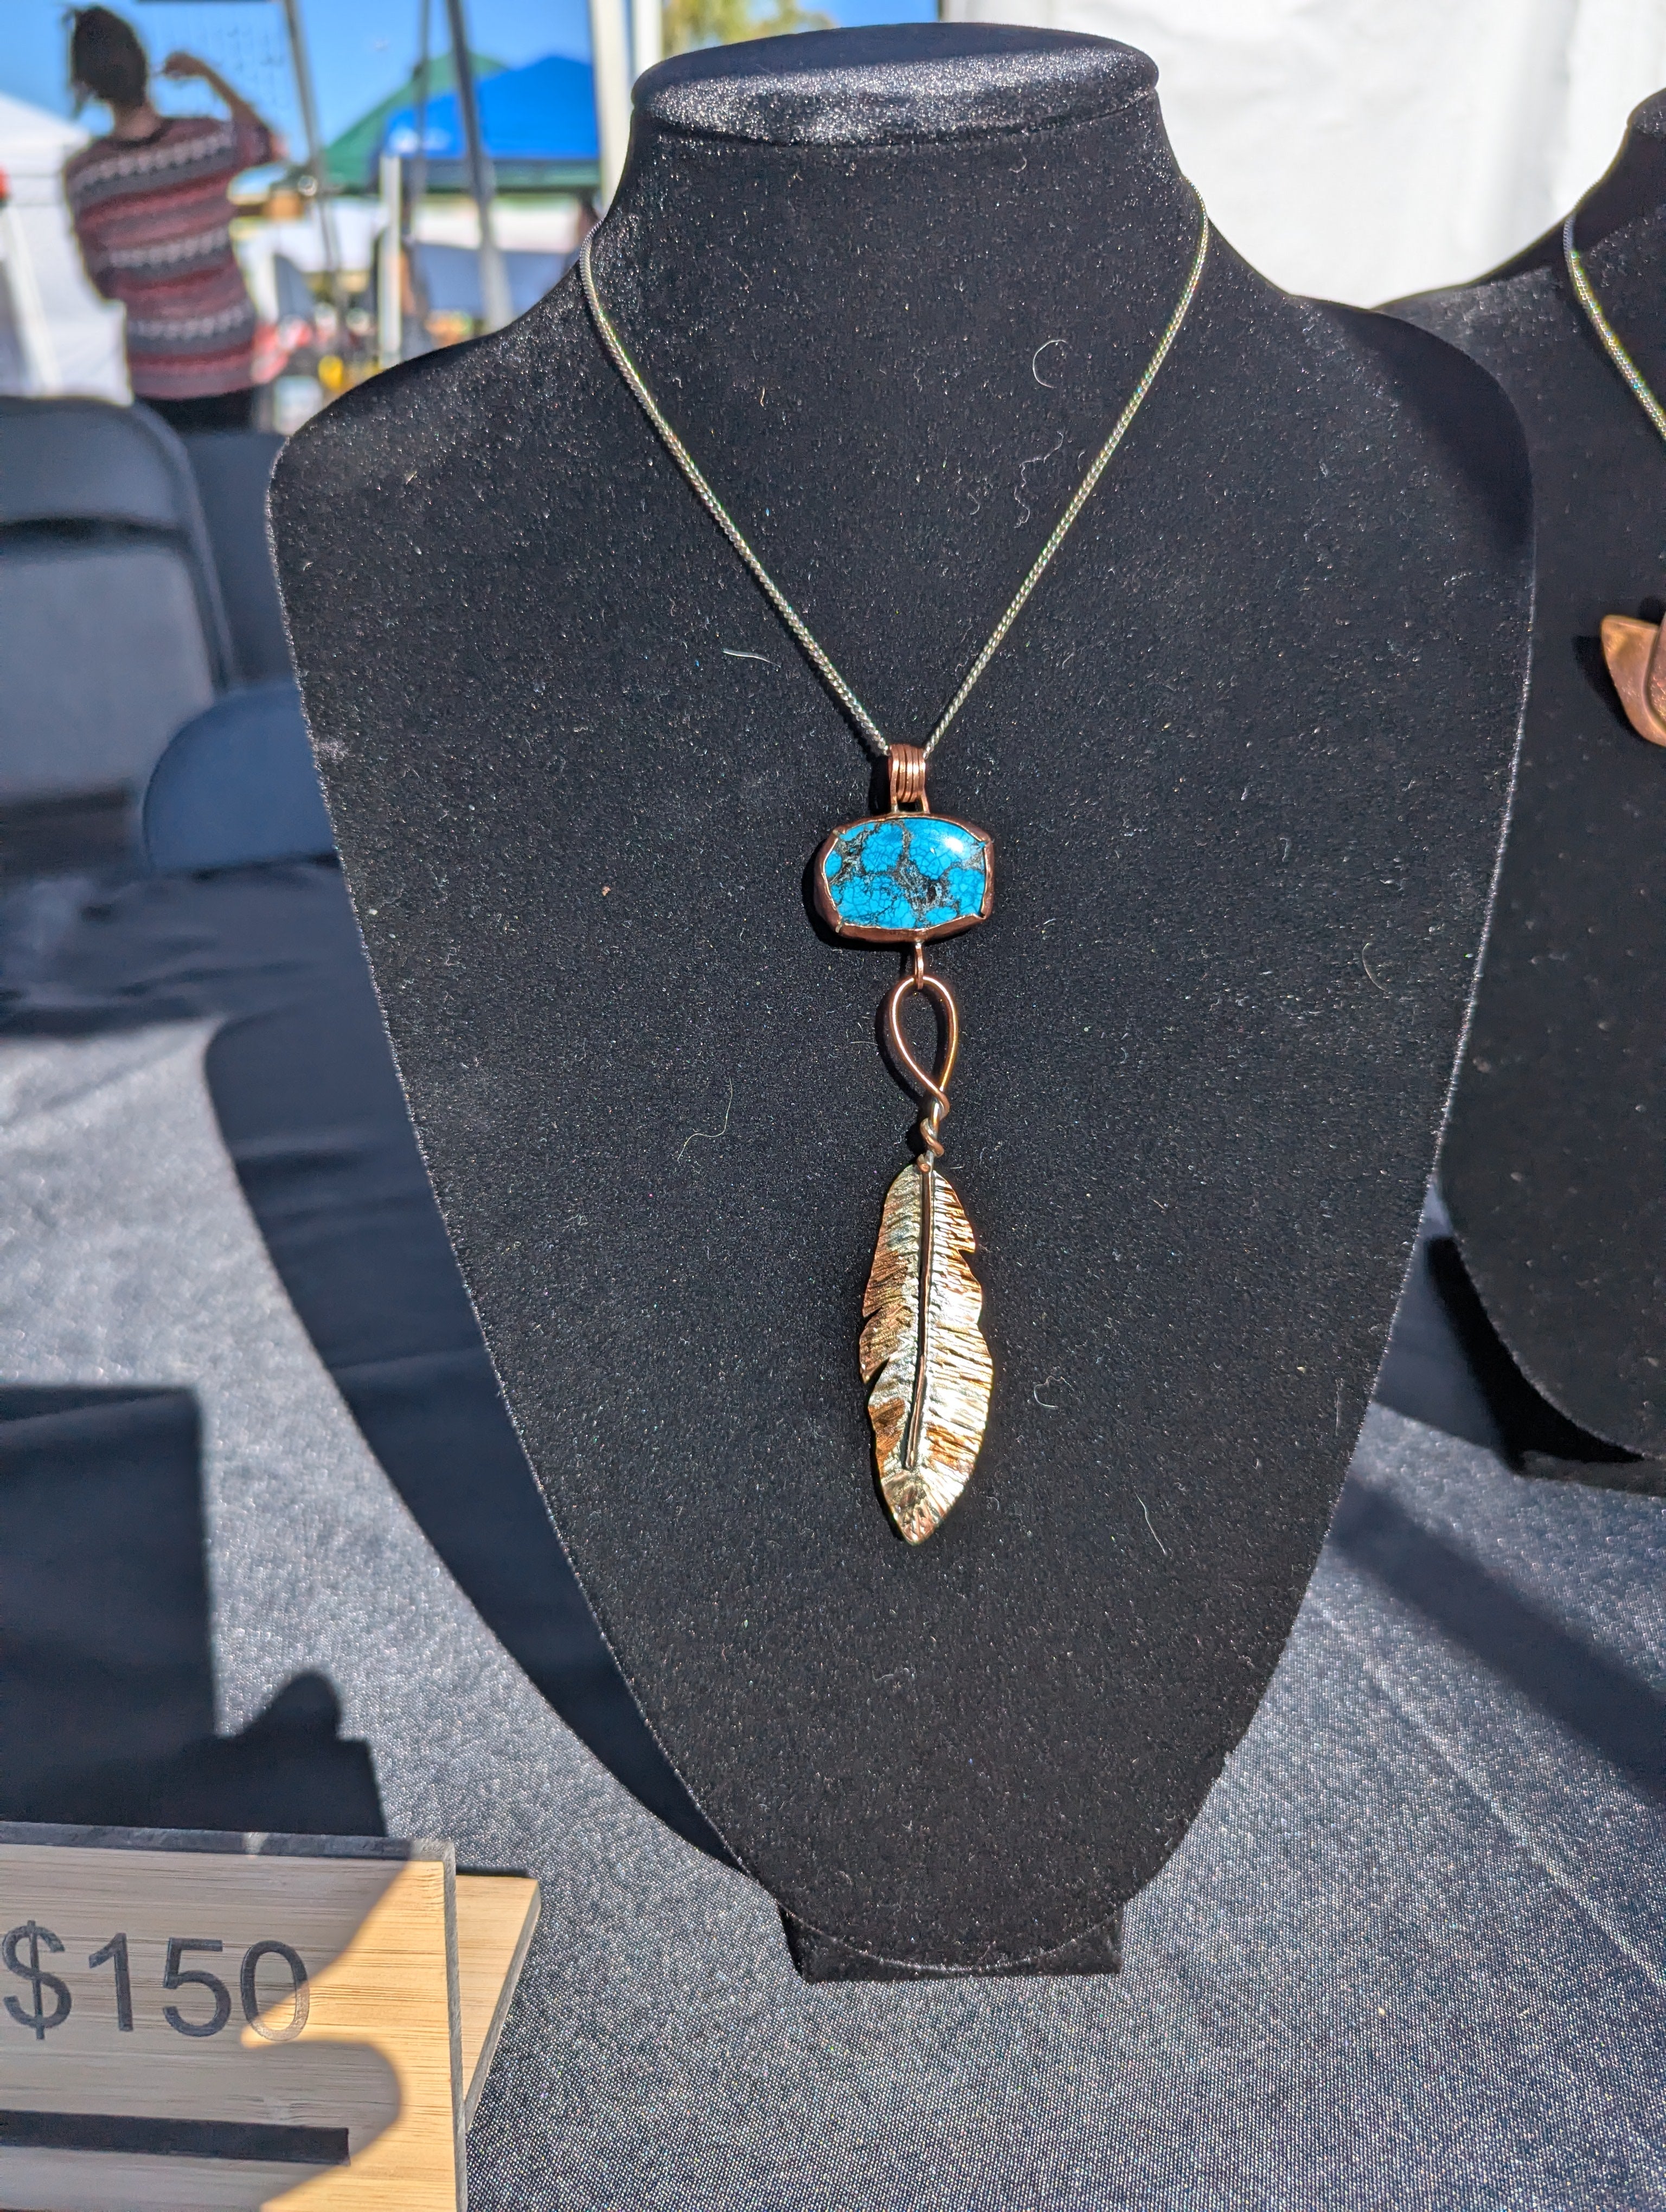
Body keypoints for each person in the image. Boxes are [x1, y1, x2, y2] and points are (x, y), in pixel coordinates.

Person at [63, 8, 279, 432]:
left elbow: (104, 284)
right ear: (145, 64)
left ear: (86, 84)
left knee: (174, 487)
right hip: (230, 358)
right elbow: (266, 142)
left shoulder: (86, 176)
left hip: (155, 366)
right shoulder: (206, 141)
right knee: (232, 479)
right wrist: (207, 74)